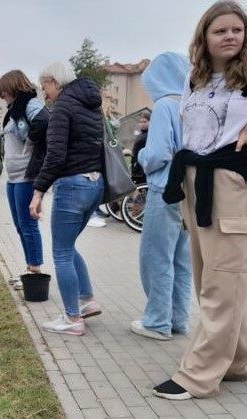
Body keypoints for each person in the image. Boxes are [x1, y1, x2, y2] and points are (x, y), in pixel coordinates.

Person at [154, 1, 247, 400]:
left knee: (223, 283)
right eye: (220, 30)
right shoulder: (197, 80)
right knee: (209, 276)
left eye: (237, 30)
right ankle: (239, 361)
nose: (229, 36)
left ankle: (198, 376)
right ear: (204, 39)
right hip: (194, 184)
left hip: (229, 184)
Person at [29, 62, 104, 336]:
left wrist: (38, 191)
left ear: (53, 81)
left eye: (44, 86)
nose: (44, 93)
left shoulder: (63, 106)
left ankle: (72, 317)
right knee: (69, 246)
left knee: (61, 252)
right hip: (95, 184)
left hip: (71, 185)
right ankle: (87, 301)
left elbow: (56, 155)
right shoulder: (91, 103)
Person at [130, 53, 192, 342]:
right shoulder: (192, 103)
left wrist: (140, 155)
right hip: (188, 191)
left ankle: (156, 321)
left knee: (156, 257)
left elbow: (157, 154)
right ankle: (177, 318)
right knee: (181, 259)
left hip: (163, 189)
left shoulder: (165, 106)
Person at [0, 70, 49, 290]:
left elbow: (45, 121)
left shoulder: (30, 105)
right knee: (20, 225)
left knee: (28, 224)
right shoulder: (14, 110)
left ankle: (34, 270)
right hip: (13, 177)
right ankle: (30, 266)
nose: (4, 98)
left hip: (26, 176)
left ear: (14, 89)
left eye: (5, 93)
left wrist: (31, 143)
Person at [130, 110, 151, 184]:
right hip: (137, 167)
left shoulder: (150, 135)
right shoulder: (140, 135)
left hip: (143, 168)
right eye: (140, 122)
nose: (142, 124)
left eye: (145, 122)